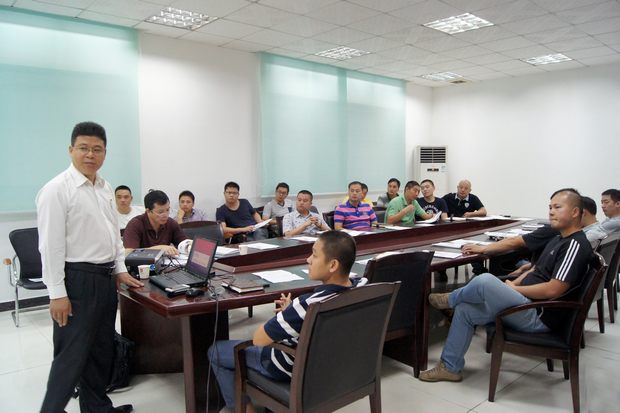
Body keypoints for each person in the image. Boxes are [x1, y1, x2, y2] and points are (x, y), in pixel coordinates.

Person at [420, 189, 592, 382]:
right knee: (465, 310)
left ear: (575, 212)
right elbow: (536, 270)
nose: (551, 212)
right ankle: (450, 367)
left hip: (539, 314)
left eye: (557, 207)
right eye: (550, 207)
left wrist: (514, 289)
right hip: (526, 303)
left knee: (485, 280)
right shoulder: (559, 238)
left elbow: (554, 289)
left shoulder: (574, 245)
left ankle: (449, 300)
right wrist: (513, 283)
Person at [37, 121, 142, 413]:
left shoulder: (105, 187)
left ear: (105, 153)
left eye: (97, 149)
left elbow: (113, 235)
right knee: (71, 356)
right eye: (83, 148)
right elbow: (50, 246)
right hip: (77, 280)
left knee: (100, 350)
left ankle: (97, 408)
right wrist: (57, 293)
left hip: (105, 278)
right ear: (71, 150)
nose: (90, 155)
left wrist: (120, 268)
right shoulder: (57, 190)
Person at [208, 231, 358, 411]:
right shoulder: (361, 288)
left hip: (287, 366)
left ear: (333, 265)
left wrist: (285, 315)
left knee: (215, 351)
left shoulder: (306, 305)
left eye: (314, 255)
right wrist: (291, 312)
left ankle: (246, 410)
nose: (308, 260)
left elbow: (259, 339)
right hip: (330, 366)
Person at [123, 190, 188, 256]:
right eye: (160, 212)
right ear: (148, 211)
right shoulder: (135, 224)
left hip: (165, 262)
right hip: (142, 263)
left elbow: (183, 243)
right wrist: (159, 249)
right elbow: (128, 252)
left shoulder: (170, 223)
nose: (165, 215)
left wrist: (189, 245)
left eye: (167, 210)